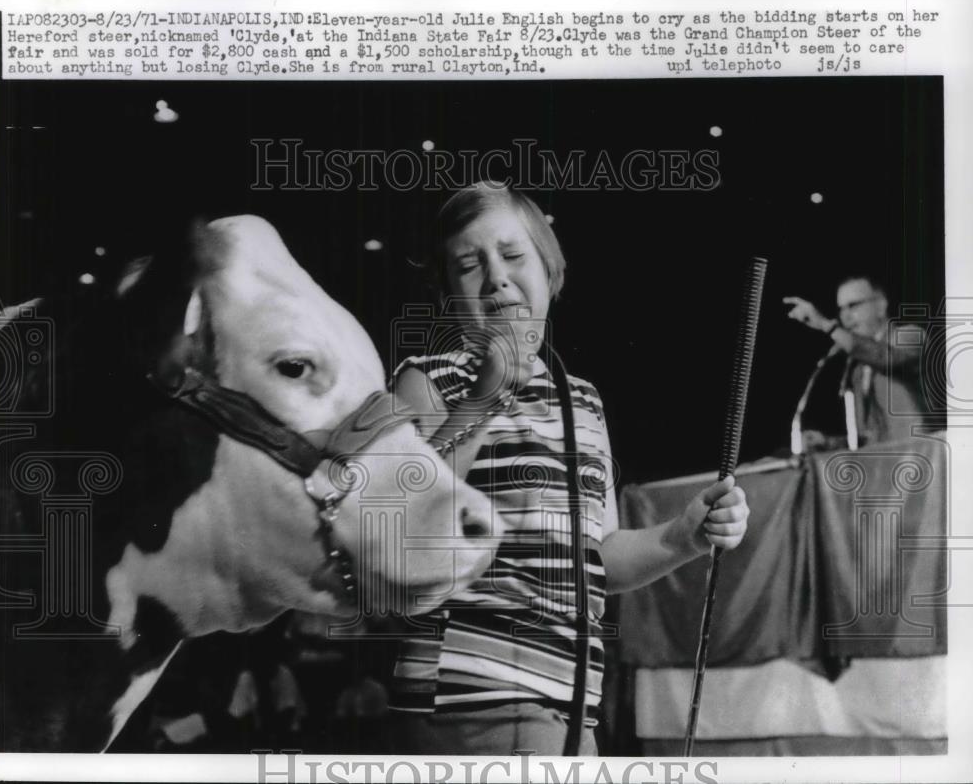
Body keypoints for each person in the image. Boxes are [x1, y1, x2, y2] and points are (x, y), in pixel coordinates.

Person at [387, 183, 749, 756]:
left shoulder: (581, 400)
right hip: (467, 697)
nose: (496, 277)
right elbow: (402, 527)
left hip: (569, 703)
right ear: (448, 295)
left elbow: (594, 557)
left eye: (512, 256)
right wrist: (485, 397)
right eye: (468, 264)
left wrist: (684, 536)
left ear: (550, 271)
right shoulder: (428, 379)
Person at [784, 275, 931, 446]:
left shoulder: (909, 336)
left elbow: (885, 357)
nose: (845, 316)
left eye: (853, 306)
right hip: (886, 465)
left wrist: (827, 326)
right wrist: (828, 443)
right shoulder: (858, 368)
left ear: (881, 306)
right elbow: (868, 438)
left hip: (924, 458)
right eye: (841, 309)